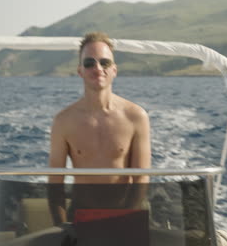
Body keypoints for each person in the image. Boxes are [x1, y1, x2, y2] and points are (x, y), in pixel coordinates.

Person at [47, 32, 151, 226]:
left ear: (114, 70)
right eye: (89, 63)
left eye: (105, 63)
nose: (97, 68)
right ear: (80, 71)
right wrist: (62, 229)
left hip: (128, 214)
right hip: (80, 218)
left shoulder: (136, 117)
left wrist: (124, 222)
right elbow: (55, 183)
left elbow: (141, 179)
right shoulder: (63, 122)